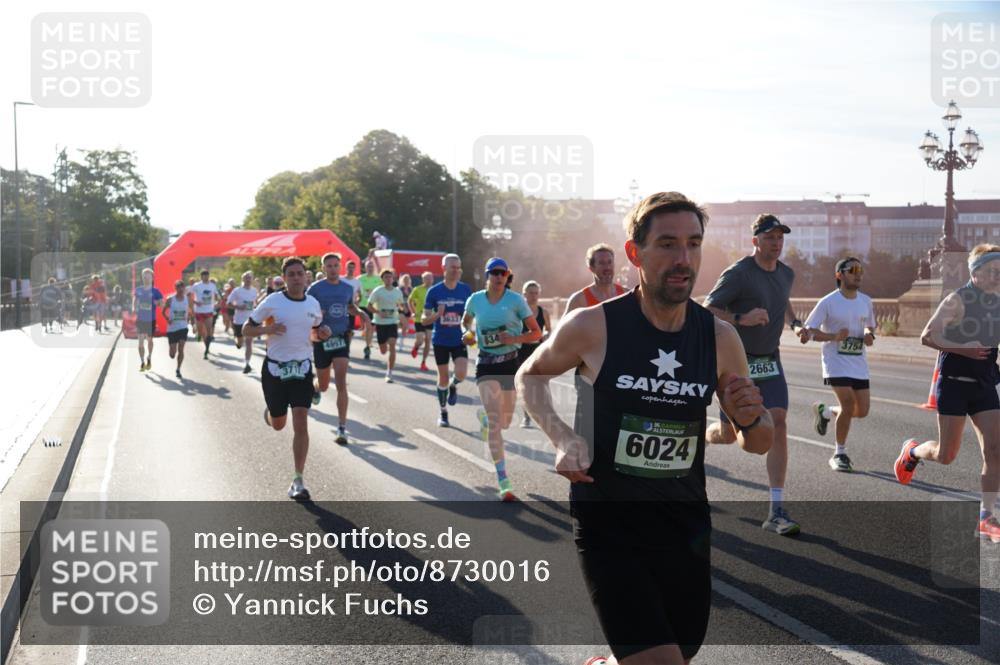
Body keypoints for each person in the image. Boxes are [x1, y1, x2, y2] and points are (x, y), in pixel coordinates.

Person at [518, 191, 772, 665]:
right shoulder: (593, 326)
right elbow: (529, 374)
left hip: (684, 521)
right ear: (635, 253)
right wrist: (563, 437)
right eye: (668, 244)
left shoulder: (719, 338)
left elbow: (758, 443)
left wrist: (750, 417)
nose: (683, 259)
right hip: (608, 520)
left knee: (681, 647)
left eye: (693, 244)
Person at [704, 213, 804, 536]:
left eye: (780, 238)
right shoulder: (739, 273)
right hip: (737, 360)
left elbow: (783, 301)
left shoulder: (786, 273)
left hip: (770, 361)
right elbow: (707, 309)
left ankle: (776, 509)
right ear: (755, 241)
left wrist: (796, 323)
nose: (776, 243)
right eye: (770, 237)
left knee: (777, 422)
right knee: (731, 434)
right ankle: (705, 434)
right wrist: (741, 318)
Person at [895, 244, 1000, 543]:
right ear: (976, 272)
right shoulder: (958, 299)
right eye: (993, 271)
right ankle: (912, 451)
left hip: (984, 385)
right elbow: (927, 335)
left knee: (995, 451)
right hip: (954, 382)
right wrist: (964, 349)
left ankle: (985, 516)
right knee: (946, 455)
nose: (998, 277)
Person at [242, 257, 326, 501]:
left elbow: (316, 332)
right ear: (285, 278)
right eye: (292, 274)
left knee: (301, 420)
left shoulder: (313, 303)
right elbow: (247, 329)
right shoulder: (273, 301)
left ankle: (298, 479)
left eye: (300, 273)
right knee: (279, 424)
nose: (297, 277)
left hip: (301, 370)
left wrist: (322, 334)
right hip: (276, 370)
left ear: (306, 276)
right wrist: (268, 330)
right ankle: (271, 414)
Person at [464, 257, 542, 500]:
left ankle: (487, 420)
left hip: (509, 363)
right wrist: (466, 333)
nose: (499, 277)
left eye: (503, 273)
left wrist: (513, 340)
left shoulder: (516, 301)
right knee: (498, 422)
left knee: (506, 421)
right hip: (485, 364)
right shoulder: (475, 299)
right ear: (488, 275)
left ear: (508, 276)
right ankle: (503, 481)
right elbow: (465, 323)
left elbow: (536, 333)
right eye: (494, 272)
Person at [798, 257, 876, 472]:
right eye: (852, 270)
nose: (858, 274)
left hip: (858, 362)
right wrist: (833, 336)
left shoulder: (866, 301)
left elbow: (870, 326)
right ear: (839, 275)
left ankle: (826, 412)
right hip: (835, 362)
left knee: (862, 411)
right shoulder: (828, 302)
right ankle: (839, 453)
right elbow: (810, 331)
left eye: (860, 269)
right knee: (849, 405)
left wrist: (869, 335)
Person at [307, 253, 371, 444]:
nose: (333, 269)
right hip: (321, 340)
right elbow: (306, 312)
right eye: (329, 266)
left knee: (341, 382)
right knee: (325, 384)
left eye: (336, 265)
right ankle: (315, 387)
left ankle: (341, 427)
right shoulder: (315, 289)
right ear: (323, 268)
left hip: (341, 338)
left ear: (340, 267)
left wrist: (362, 314)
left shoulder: (347, 287)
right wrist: (317, 316)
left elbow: (349, 307)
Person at [423, 254, 473, 427]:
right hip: (441, 341)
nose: (456, 270)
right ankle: (443, 412)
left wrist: (470, 330)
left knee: (461, 374)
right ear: (443, 268)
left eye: (458, 267)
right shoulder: (434, 291)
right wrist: (437, 314)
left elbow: (471, 315)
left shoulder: (466, 290)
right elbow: (424, 319)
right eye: (452, 267)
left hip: (459, 339)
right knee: (442, 378)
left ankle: (454, 385)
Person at [517, 280, 553, 427]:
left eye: (536, 293)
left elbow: (549, 329)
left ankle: (546, 415)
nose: (534, 296)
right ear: (524, 294)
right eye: (531, 293)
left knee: (541, 383)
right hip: (521, 350)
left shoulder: (543, 312)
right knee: (524, 384)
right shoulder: (518, 312)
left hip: (537, 351)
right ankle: (526, 416)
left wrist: (546, 335)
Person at [563, 244, 627, 316]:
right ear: (591, 268)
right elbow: (563, 327)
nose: (607, 267)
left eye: (610, 262)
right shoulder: (579, 300)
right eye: (601, 263)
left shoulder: (627, 295)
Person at [367, 269, 407, 382]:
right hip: (380, 323)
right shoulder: (378, 291)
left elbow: (401, 305)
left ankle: (389, 372)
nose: (388, 279)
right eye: (386, 277)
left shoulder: (397, 291)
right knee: (383, 350)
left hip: (393, 322)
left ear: (393, 279)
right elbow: (369, 306)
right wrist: (379, 312)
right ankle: (383, 345)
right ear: (382, 279)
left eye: (390, 277)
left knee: (393, 345)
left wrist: (403, 309)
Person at [227, 271, 259, 374]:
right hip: (239, 320)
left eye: (250, 278)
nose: (248, 279)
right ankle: (238, 342)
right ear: (243, 279)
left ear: (252, 279)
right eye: (246, 278)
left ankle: (247, 364)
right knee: (240, 342)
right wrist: (238, 306)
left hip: (250, 320)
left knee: (249, 342)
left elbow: (255, 304)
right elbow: (228, 304)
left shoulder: (254, 291)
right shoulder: (237, 291)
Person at [133, 268, 164, 372]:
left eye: (148, 275)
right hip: (141, 319)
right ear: (142, 278)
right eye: (144, 276)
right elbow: (135, 300)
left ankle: (149, 357)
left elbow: (162, 303)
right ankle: (142, 362)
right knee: (140, 342)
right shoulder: (138, 290)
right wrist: (134, 307)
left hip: (151, 320)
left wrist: (158, 303)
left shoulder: (156, 291)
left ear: (152, 277)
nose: (146, 277)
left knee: (149, 340)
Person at [163, 279, 192, 379]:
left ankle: (178, 369)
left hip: (183, 327)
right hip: (172, 329)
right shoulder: (170, 299)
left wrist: (191, 320)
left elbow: (191, 311)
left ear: (184, 288)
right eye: (178, 287)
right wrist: (167, 319)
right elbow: (163, 312)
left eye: (182, 287)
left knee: (181, 348)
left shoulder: (187, 299)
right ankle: (171, 350)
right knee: (172, 353)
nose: (180, 289)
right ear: (175, 288)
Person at [408, 271, 434, 371]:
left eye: (430, 278)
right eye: (426, 278)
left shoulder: (435, 290)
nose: (428, 280)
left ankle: (423, 362)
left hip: (430, 318)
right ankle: (416, 347)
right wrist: (413, 311)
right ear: (423, 279)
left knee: (428, 340)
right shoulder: (417, 289)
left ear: (432, 279)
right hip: (419, 318)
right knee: (420, 340)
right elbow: (410, 301)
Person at [358, 260, 383, 360]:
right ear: (365, 267)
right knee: (369, 327)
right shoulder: (360, 279)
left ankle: (367, 345)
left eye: (372, 266)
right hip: (363, 305)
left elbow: (382, 290)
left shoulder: (378, 279)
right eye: (368, 266)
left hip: (374, 306)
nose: (370, 268)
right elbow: (356, 291)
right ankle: (368, 346)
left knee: (370, 328)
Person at [191, 270, 219, 359]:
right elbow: (189, 296)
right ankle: (200, 335)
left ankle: (207, 349)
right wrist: (195, 302)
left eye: (207, 275)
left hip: (209, 311)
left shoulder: (212, 285)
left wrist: (216, 302)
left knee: (209, 329)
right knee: (201, 331)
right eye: (204, 276)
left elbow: (216, 296)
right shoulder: (197, 286)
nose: (206, 277)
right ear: (201, 277)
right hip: (199, 311)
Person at [397, 273, 413, 352]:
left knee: (404, 327)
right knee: (405, 325)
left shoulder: (411, 289)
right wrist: (403, 307)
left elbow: (413, 300)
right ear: (402, 281)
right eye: (405, 280)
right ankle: (397, 342)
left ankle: (401, 343)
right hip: (400, 309)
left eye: (407, 279)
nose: (406, 281)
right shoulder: (399, 289)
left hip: (408, 309)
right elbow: (397, 299)